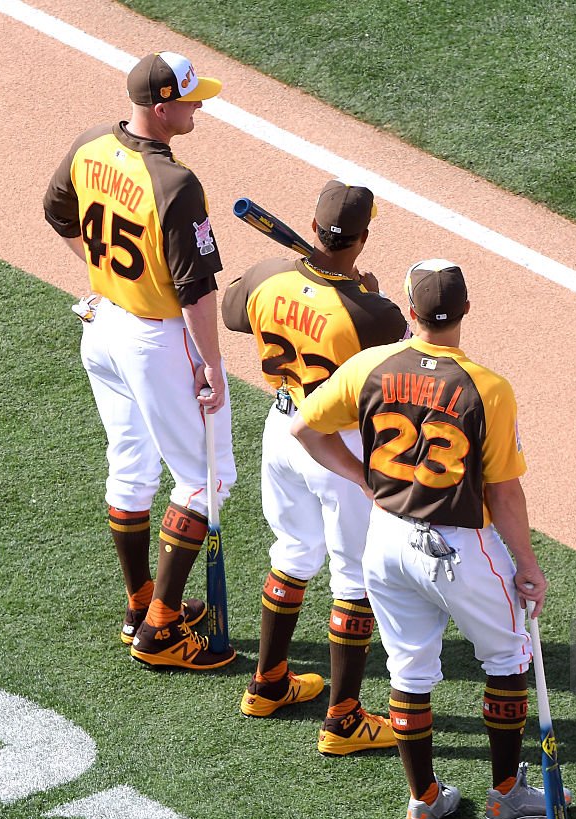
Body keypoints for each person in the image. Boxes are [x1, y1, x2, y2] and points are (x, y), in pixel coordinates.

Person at [293, 259, 570, 819]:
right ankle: (504, 795)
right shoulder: (487, 388)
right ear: (466, 310)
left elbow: (306, 430)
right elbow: (504, 491)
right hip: (461, 546)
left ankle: (423, 799)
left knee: (409, 667)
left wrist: (364, 481)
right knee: (507, 657)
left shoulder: (369, 365)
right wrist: (528, 565)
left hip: (387, 540)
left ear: (409, 311)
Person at [43, 51, 236, 670]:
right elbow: (197, 290)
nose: (198, 105)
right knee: (206, 479)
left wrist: (104, 275)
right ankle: (160, 630)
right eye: (189, 98)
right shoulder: (176, 185)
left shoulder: (92, 143)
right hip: (157, 342)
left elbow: (57, 213)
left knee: (130, 466)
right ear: (161, 108)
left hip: (102, 328)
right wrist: (210, 364)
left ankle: (141, 604)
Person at [221, 179, 407, 753]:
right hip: (340, 446)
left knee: (293, 553)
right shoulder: (372, 312)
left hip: (281, 431)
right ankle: (345, 719)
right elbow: (401, 365)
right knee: (352, 577)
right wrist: (363, 293)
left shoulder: (268, 275)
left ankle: (268, 683)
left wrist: (295, 287)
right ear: (365, 235)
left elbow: (232, 312)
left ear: (313, 224)